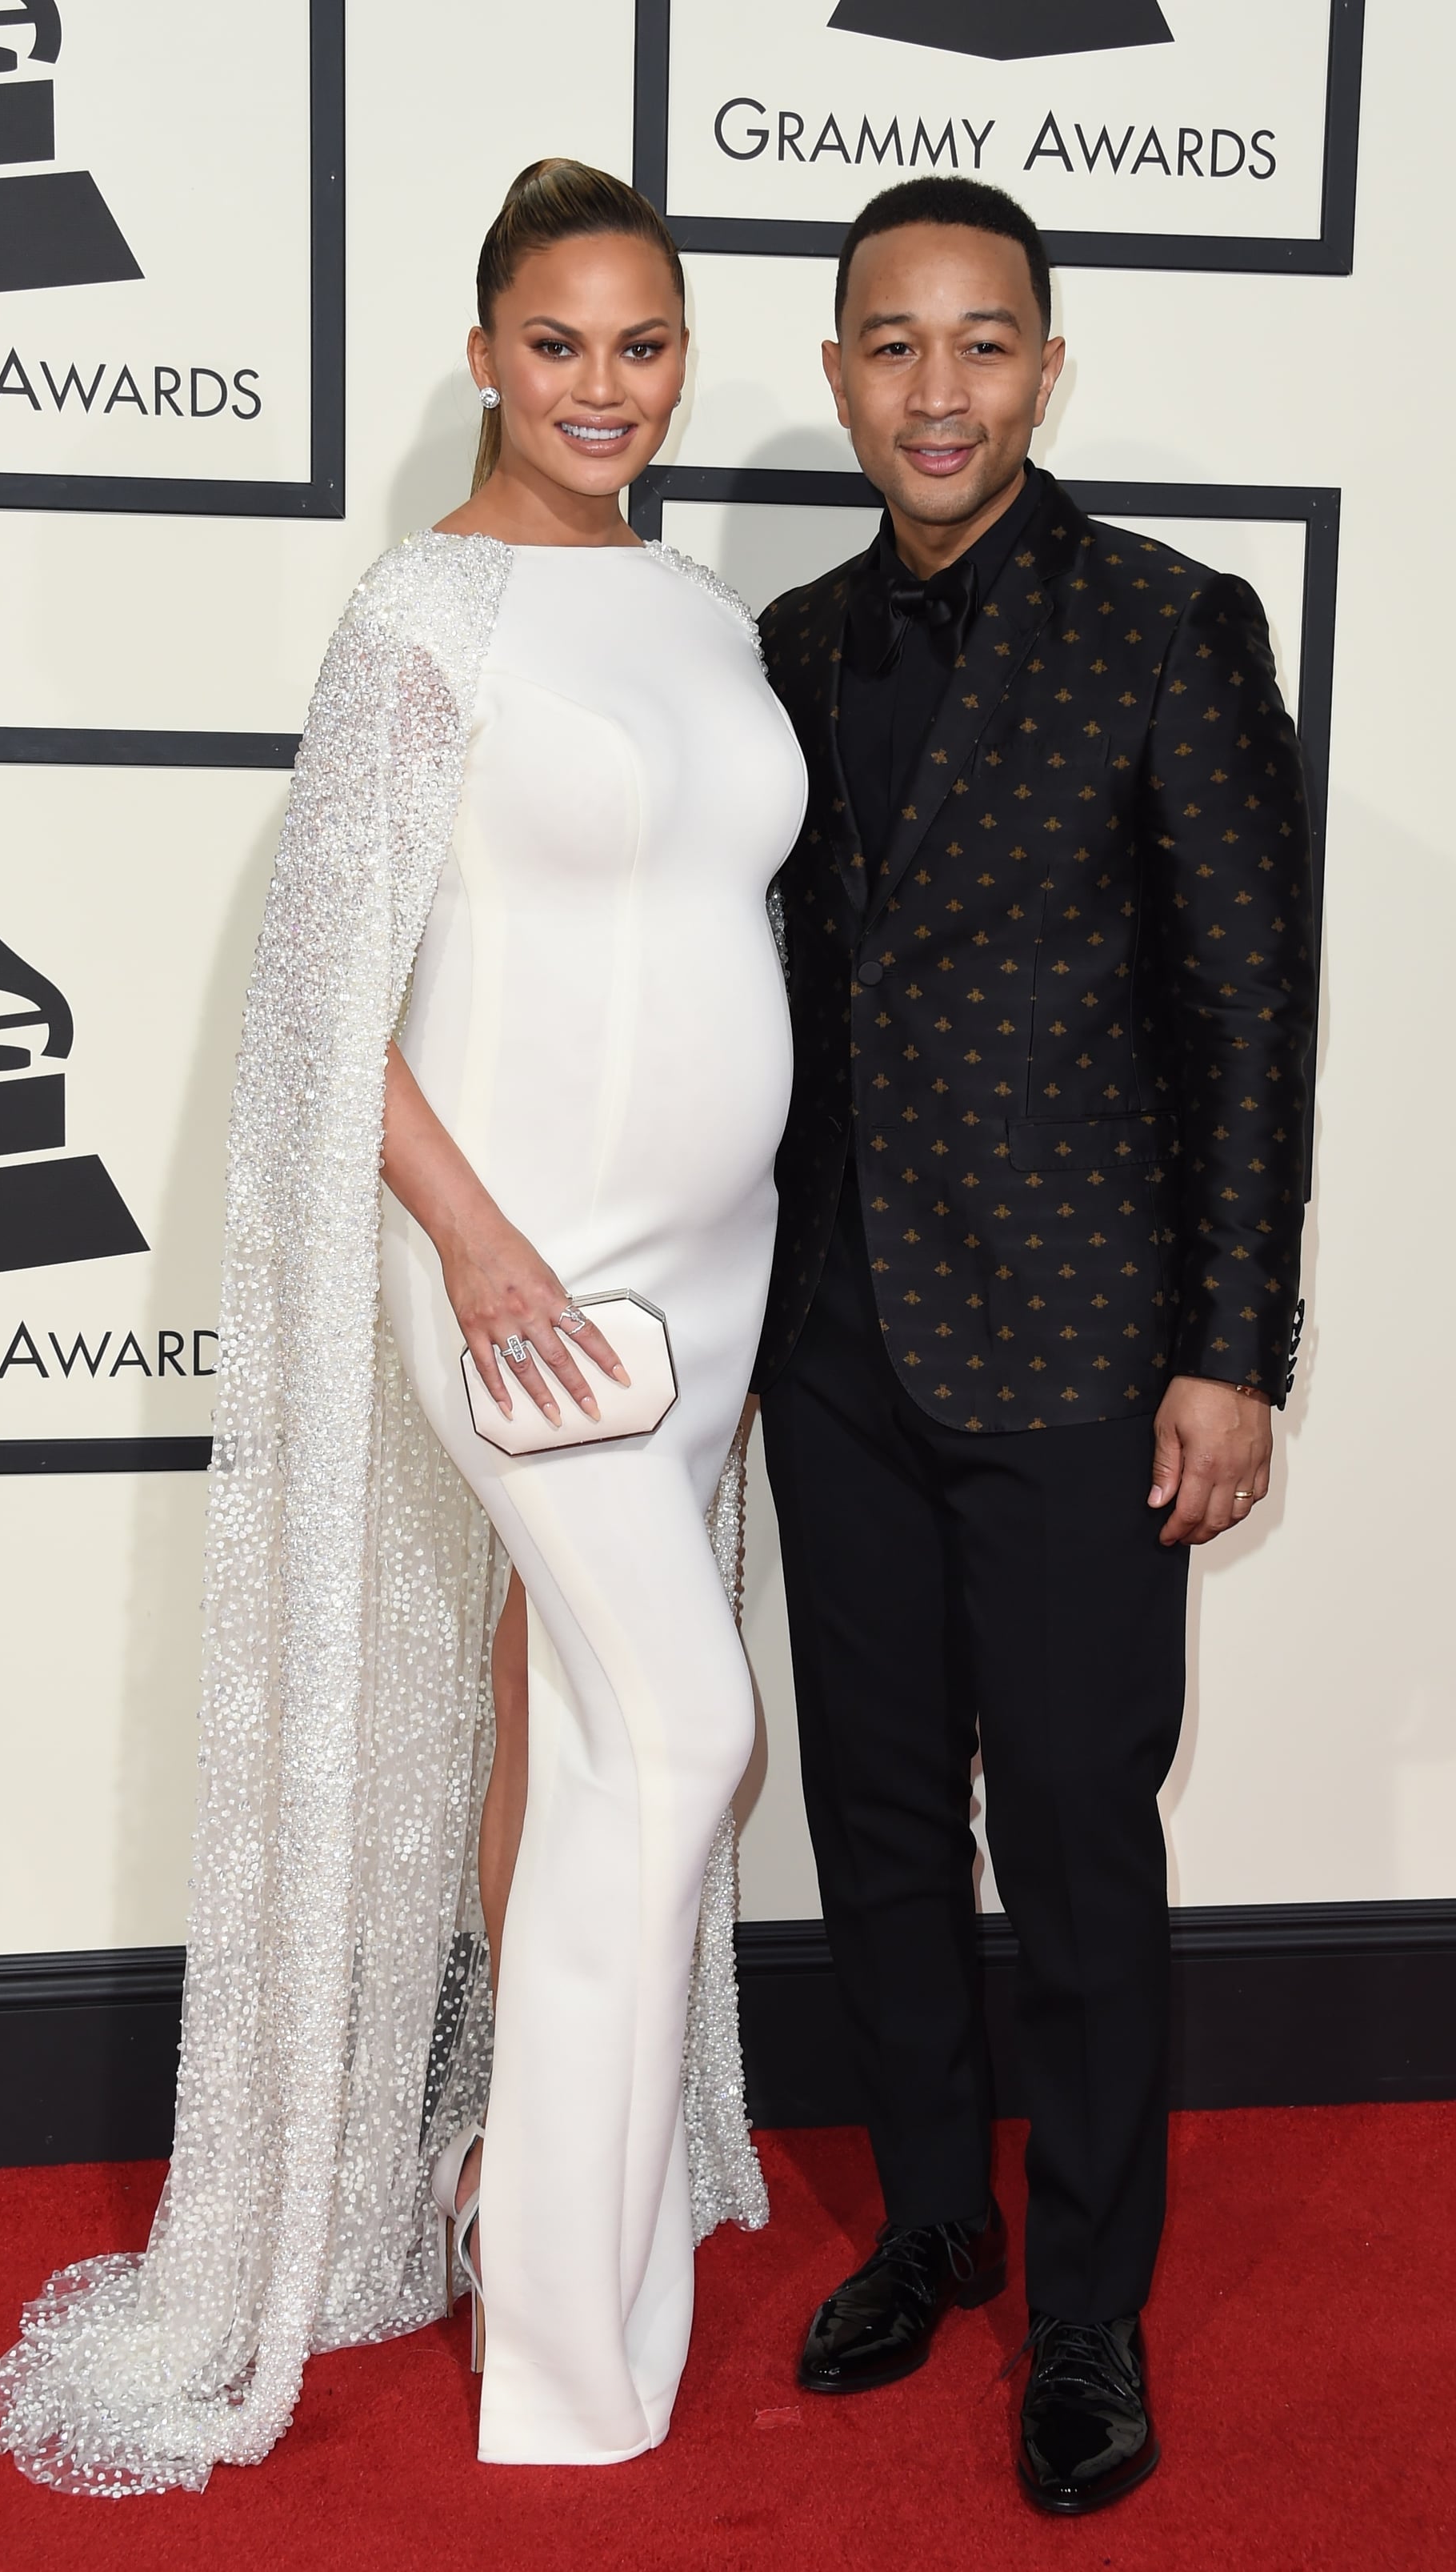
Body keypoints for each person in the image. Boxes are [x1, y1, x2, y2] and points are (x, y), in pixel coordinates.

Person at [0, 159, 806, 2489]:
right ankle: (560, 2326)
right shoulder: (425, 616)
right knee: (691, 1732)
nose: (606, 390)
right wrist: (485, 1248)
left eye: (645, 346)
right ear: (483, 354)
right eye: (561, 345)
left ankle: (512, 2174)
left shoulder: (701, 614)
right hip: (522, 1288)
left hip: (712, 1278)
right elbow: (318, 1019)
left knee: (593, 1746)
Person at [755, 174, 1315, 2516]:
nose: (939, 391)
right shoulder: (777, 646)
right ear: (842, 375)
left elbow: (1248, 1014)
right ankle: (936, 2222)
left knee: (1077, 1841)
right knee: (881, 1826)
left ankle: (1088, 2314)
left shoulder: (1174, 627)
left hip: (1091, 1350)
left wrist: (1234, 1344)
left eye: (985, 345)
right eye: (895, 346)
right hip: (837, 1338)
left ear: (1050, 368)